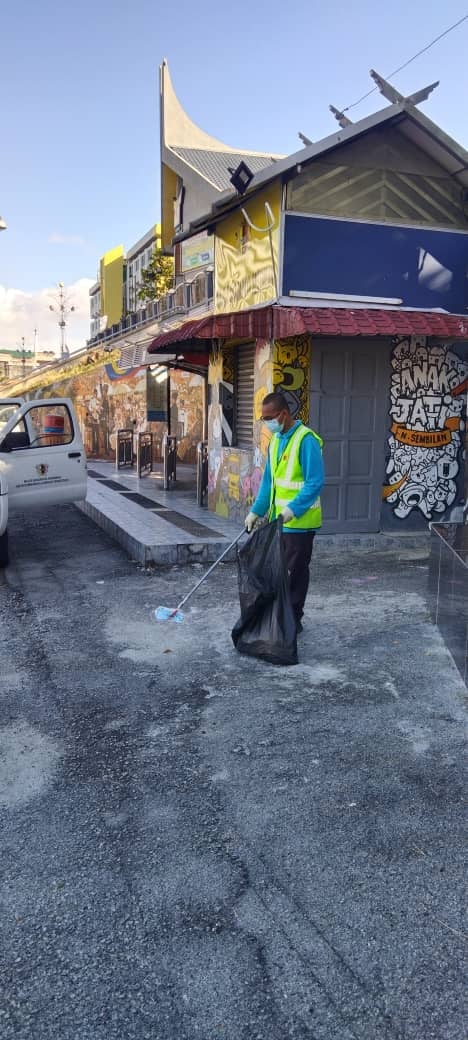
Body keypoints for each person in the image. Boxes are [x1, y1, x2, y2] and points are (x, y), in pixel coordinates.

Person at [245, 391, 324, 634]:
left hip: (300, 523)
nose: (267, 422)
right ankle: (282, 616)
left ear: (283, 414)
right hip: (278, 521)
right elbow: (269, 481)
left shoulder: (306, 440)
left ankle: (293, 620)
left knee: (295, 573)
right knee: (279, 572)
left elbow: (315, 482)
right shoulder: (277, 441)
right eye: (263, 418)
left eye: (269, 417)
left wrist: (293, 509)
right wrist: (255, 512)